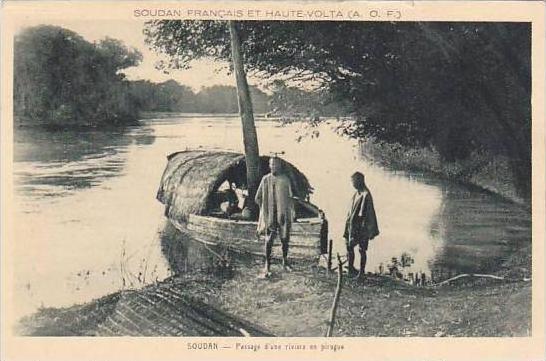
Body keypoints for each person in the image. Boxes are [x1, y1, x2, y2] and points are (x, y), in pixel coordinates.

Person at [255, 157, 295, 277]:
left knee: (285, 239)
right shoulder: (265, 179)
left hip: (283, 215)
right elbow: (258, 197)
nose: (274, 167)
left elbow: (290, 198)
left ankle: (285, 261)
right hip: (270, 214)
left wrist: (289, 212)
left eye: (276, 165)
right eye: (272, 164)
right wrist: (264, 210)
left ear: (280, 166)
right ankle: (267, 264)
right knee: (269, 240)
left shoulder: (285, 180)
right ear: (269, 166)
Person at [343, 171, 379, 279]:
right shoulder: (357, 193)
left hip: (361, 227)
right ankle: (350, 268)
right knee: (349, 246)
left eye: (353, 181)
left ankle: (361, 273)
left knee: (361, 249)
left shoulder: (366, 194)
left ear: (359, 181)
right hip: (353, 225)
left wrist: (363, 230)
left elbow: (365, 214)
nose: (352, 184)